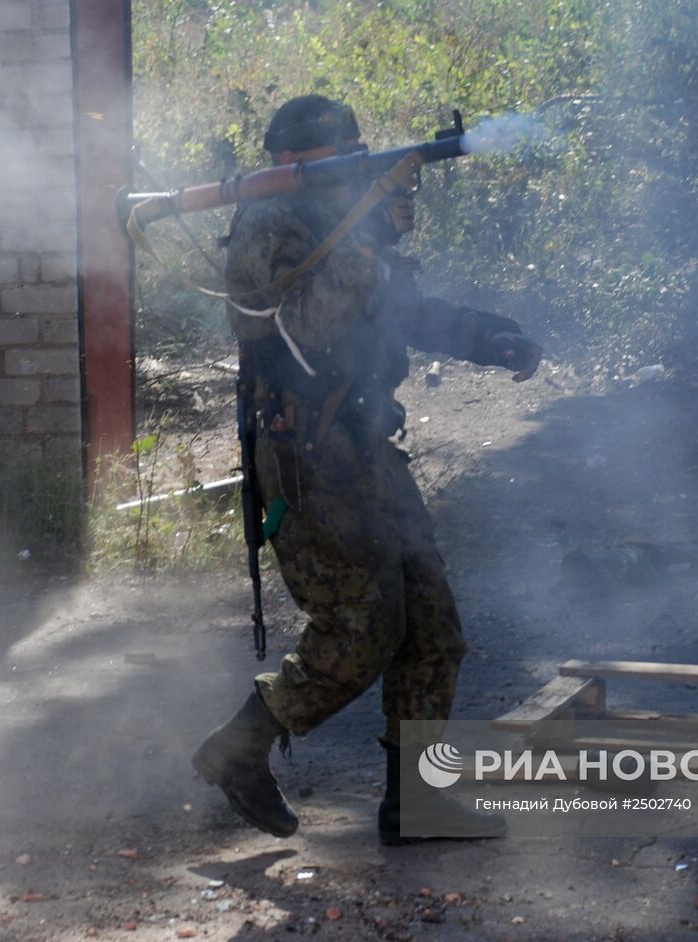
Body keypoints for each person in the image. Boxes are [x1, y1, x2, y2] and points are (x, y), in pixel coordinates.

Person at [191, 95, 541, 844]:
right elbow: (300, 338)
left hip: (365, 446)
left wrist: (489, 337)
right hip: (305, 454)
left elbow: (401, 312)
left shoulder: (346, 220)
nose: (360, 164)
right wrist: (368, 236)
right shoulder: (266, 224)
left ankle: (417, 801)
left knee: (432, 625)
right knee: (364, 624)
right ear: (296, 164)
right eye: (343, 154)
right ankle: (241, 746)